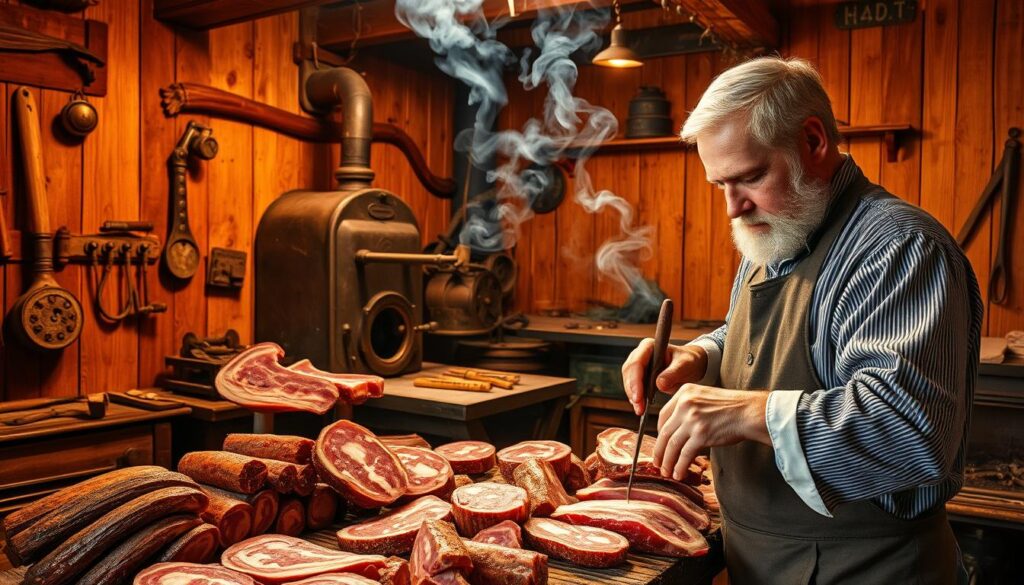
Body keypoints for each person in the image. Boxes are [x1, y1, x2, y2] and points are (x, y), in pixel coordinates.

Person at [621, 56, 982, 584]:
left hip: (865, 570)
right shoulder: (779, 228)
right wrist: (699, 356)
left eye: (748, 177)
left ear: (813, 141)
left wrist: (748, 413)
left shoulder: (898, 247)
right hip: (762, 561)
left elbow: (911, 431)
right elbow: (756, 333)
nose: (731, 208)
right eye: (718, 184)